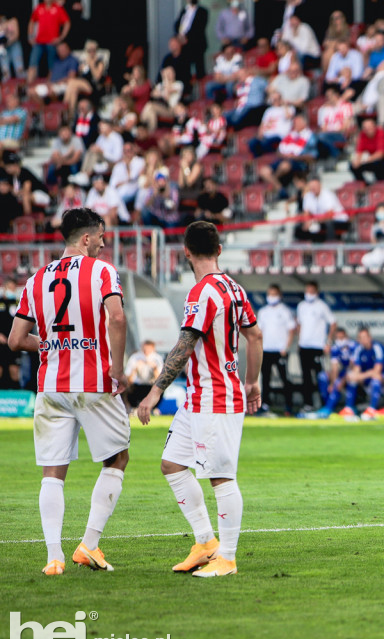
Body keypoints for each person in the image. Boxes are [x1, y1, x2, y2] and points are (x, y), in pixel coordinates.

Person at [7, 207, 130, 576]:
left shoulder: (36, 279)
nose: (104, 244)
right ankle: (88, 546)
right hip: (93, 383)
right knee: (117, 459)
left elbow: (15, 340)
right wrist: (119, 368)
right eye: (101, 237)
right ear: (86, 238)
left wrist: (51, 346)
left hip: (51, 387)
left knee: (52, 472)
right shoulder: (102, 271)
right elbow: (118, 317)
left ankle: (53, 557)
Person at [136, 221, 262, 578]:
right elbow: (255, 336)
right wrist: (252, 382)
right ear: (219, 250)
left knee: (221, 476)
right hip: (200, 396)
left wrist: (156, 390)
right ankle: (206, 543)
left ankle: (229, 558)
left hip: (215, 397)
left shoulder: (204, 292)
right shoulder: (234, 289)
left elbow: (184, 344)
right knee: (172, 464)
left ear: (186, 252)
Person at [295, 281, 335, 412]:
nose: (309, 294)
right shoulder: (301, 306)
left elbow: (333, 323)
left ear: (317, 292)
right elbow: (299, 324)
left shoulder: (322, 306)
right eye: (307, 291)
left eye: (311, 291)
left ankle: (324, 403)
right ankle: (308, 404)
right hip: (304, 346)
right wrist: (299, 341)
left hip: (317, 346)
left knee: (320, 376)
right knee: (306, 377)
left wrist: (328, 342)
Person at [257, 284, 295, 415]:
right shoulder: (263, 312)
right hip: (266, 350)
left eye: (274, 294)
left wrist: (286, 347)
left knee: (284, 378)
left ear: (279, 295)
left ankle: (288, 406)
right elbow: (259, 331)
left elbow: (291, 330)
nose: (271, 297)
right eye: (269, 294)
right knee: (265, 379)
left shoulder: (285, 311)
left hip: (280, 350)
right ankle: (265, 405)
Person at [342, 327, 384, 420]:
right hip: (368, 377)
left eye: (365, 337)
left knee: (376, 379)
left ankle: (372, 409)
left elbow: (376, 371)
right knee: (351, 377)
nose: (363, 340)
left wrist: (360, 376)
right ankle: (348, 409)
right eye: (361, 337)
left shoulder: (378, 347)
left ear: (370, 337)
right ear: (358, 339)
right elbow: (356, 370)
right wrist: (356, 376)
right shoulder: (358, 349)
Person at [26, 0, 70, 83]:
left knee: (52, 66)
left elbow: (67, 22)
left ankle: (50, 85)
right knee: (32, 63)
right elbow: (32, 21)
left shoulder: (58, 8)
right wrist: (30, 36)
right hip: (39, 41)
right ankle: (28, 85)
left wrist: (61, 38)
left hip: (52, 42)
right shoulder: (39, 7)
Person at [297, 176, 348, 242]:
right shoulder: (308, 196)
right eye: (311, 186)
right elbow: (306, 213)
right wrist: (307, 222)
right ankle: (306, 249)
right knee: (300, 227)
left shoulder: (328, 195)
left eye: (315, 186)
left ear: (320, 185)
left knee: (328, 224)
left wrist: (313, 221)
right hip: (320, 221)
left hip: (338, 220)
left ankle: (330, 247)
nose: (313, 188)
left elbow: (329, 215)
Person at [350, 118, 384, 183]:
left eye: (369, 127)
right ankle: (363, 184)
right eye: (365, 128)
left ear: (374, 127)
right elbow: (359, 151)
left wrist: (365, 160)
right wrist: (357, 161)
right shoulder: (363, 135)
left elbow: (381, 154)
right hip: (372, 159)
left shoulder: (380, 132)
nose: (367, 129)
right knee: (352, 166)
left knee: (379, 164)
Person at [174, 0, 209, 80]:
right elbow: (177, 24)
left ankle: (201, 89)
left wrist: (187, 37)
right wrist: (179, 36)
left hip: (196, 44)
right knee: (185, 69)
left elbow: (199, 28)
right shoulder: (184, 10)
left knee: (199, 70)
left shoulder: (202, 11)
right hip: (183, 44)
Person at [125, 340, 163, 408]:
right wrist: (135, 369)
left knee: (160, 388)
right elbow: (129, 379)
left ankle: (153, 408)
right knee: (128, 387)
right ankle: (133, 407)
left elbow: (160, 380)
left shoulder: (157, 358)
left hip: (151, 386)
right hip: (137, 386)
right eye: (145, 349)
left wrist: (154, 369)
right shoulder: (135, 357)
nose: (146, 351)